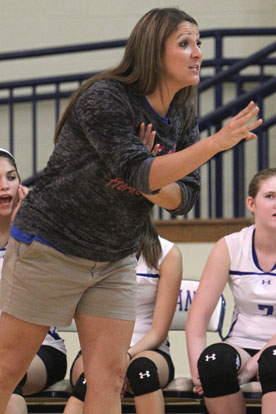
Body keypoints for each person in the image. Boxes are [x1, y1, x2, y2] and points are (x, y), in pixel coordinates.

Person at [0, 7, 262, 414]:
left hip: (115, 256)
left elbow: (184, 197)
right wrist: (209, 145)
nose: (197, 53)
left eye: (198, 43)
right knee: (6, 370)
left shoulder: (181, 110)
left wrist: (151, 178)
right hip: (50, 246)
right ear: (153, 52)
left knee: (109, 375)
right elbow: (142, 172)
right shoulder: (105, 96)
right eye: (185, 43)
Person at [63, 217, 182, 414]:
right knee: (95, 376)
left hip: (148, 349)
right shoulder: (91, 249)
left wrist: (125, 356)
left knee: (142, 371)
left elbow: (158, 332)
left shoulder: (167, 254)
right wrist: (112, 359)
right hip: (98, 348)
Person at [186, 167, 276, 414]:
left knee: (273, 360)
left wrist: (250, 369)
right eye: (270, 196)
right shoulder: (230, 246)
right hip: (242, 344)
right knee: (214, 362)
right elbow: (198, 317)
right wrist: (198, 372)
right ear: (251, 203)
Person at [0, 148, 67, 414]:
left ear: (20, 185)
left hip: (40, 351)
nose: (4, 186)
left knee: (4, 374)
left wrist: (22, 236)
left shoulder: (40, 236)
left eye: (11, 177)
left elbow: (33, 299)